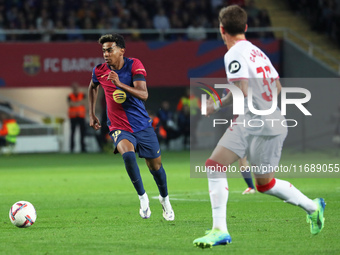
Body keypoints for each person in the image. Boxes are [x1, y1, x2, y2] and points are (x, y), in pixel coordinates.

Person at [193, 5, 325, 248]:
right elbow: (277, 89)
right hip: (273, 120)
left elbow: (241, 91)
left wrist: (215, 105)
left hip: (254, 120)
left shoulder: (233, 54)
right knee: (265, 184)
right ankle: (313, 206)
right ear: (245, 27)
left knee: (214, 165)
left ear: (221, 30)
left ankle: (220, 230)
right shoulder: (258, 53)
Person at [88, 33, 174, 221]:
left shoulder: (134, 64)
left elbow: (143, 94)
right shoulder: (99, 70)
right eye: (103, 50)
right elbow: (92, 87)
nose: (105, 54)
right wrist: (92, 113)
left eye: (109, 50)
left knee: (156, 167)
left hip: (142, 125)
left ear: (121, 50)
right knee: (127, 154)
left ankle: (164, 199)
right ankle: (143, 198)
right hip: (119, 126)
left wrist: (119, 84)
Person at [68, 82, 87, 153]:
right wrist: (79, 103)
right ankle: (72, 148)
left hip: (81, 116)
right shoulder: (70, 96)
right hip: (73, 117)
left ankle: (83, 148)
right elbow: (70, 104)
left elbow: (84, 102)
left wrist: (75, 103)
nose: (75, 89)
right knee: (72, 133)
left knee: (82, 133)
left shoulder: (82, 95)